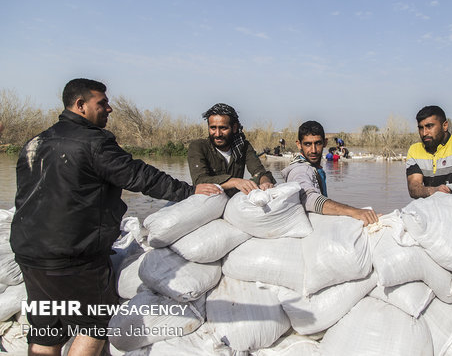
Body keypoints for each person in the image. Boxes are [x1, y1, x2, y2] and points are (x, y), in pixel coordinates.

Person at [11, 78, 221, 356]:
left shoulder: (35, 142)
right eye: (103, 103)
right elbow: (138, 176)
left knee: (46, 328)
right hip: (74, 255)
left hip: (29, 252)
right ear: (80, 105)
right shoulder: (93, 142)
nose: (109, 109)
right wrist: (189, 190)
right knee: (93, 327)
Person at [282, 121, 379, 226]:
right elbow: (309, 198)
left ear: (325, 143)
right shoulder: (300, 170)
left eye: (318, 143)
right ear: (299, 144)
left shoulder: (314, 168)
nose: (313, 150)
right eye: (308, 144)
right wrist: (354, 212)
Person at [188, 103, 275, 197]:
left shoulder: (243, 147)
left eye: (223, 128)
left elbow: (259, 171)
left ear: (234, 128)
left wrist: (265, 182)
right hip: (209, 200)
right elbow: (200, 180)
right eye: (213, 128)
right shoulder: (198, 147)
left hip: (234, 203)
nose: (217, 134)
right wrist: (235, 182)